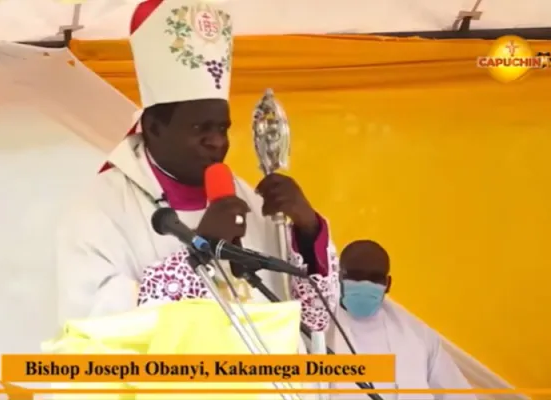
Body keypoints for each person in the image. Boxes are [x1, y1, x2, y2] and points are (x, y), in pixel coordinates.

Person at [55, 0, 339, 337]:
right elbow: (93, 327)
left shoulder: (250, 202)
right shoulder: (103, 207)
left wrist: (307, 232)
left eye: (221, 128)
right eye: (199, 129)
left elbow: (314, 324)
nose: (216, 142)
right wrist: (200, 253)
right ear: (154, 127)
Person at [327, 240, 477, 399]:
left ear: (388, 284)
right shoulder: (319, 330)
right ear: (339, 276)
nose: (365, 283)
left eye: (374, 278)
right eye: (356, 276)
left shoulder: (419, 337)